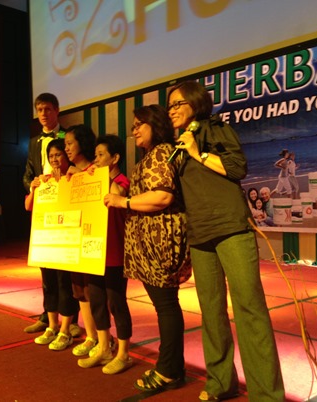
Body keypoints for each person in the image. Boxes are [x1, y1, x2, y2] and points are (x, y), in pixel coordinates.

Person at [168, 80, 285, 402]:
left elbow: (237, 168)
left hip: (231, 228)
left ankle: (266, 395)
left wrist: (198, 153)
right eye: (169, 106)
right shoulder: (178, 145)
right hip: (200, 233)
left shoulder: (216, 128)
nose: (172, 111)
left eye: (178, 104)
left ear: (195, 103)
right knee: (211, 311)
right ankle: (221, 382)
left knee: (249, 308)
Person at [104, 105, 190, 392]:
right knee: (164, 305)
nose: (135, 130)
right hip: (150, 243)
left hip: (161, 242)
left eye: (139, 124)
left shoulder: (162, 152)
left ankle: (168, 370)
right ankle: (172, 368)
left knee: (166, 306)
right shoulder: (151, 156)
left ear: (156, 124)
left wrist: (124, 202)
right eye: (133, 126)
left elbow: (162, 197)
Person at [22, 92, 81, 338]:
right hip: (43, 210)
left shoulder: (68, 136)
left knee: (66, 273)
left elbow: (78, 165)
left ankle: (71, 320)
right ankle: (48, 317)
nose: (43, 114)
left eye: (47, 109)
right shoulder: (34, 142)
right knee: (46, 270)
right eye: (39, 110)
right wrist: (34, 186)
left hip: (66, 209)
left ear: (57, 110)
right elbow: (28, 174)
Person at [78, 134, 133, 375]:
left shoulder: (121, 181)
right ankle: (103, 347)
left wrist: (102, 176)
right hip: (94, 252)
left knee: (116, 303)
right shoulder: (95, 179)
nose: (96, 160)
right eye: (95, 155)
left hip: (115, 254)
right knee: (97, 301)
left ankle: (123, 354)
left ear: (115, 158)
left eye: (101, 155)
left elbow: (116, 194)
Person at [59, 124, 100, 354]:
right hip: (74, 241)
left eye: (69, 143)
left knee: (94, 292)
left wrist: (84, 177)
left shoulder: (97, 171)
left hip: (93, 243)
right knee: (79, 290)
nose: (66, 149)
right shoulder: (70, 173)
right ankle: (91, 336)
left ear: (82, 143)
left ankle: (103, 339)